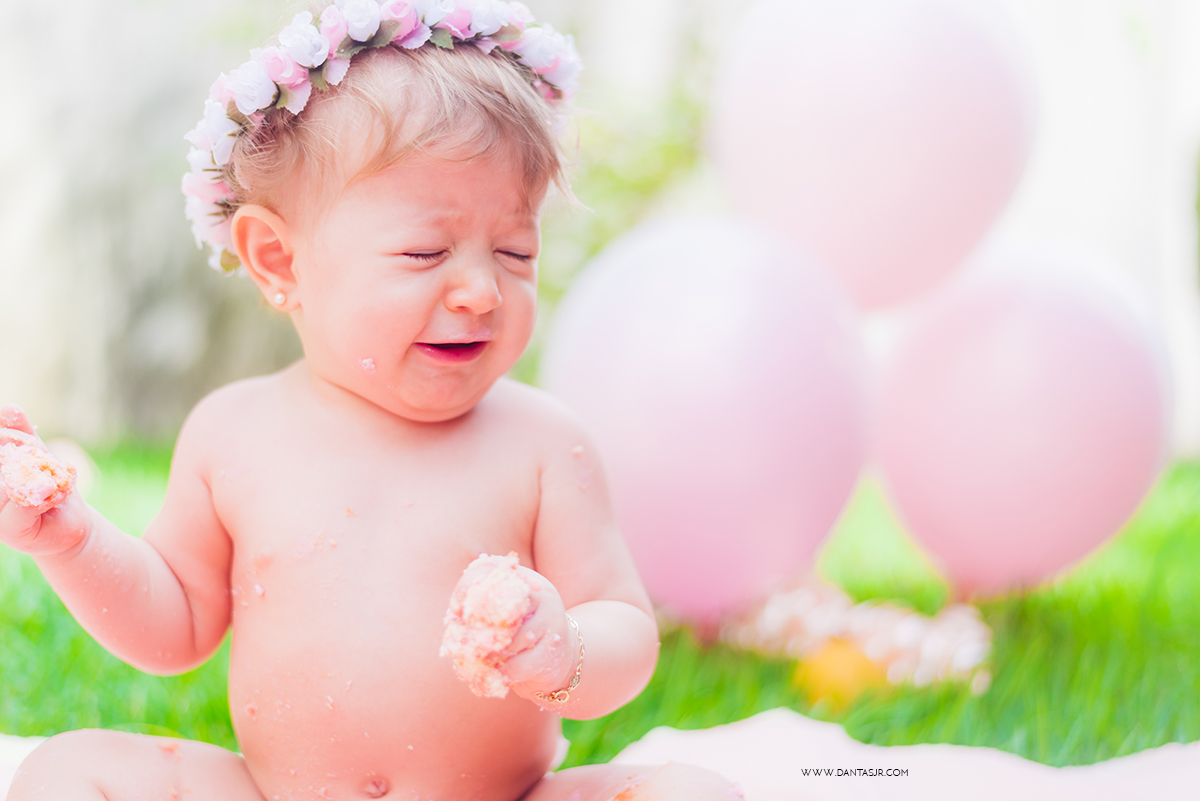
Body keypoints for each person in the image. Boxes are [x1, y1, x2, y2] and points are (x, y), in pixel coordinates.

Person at [0, 2, 739, 799]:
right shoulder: (233, 434)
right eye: (425, 251)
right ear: (279, 260)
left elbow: (623, 625)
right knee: (67, 772)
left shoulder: (539, 444)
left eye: (515, 251)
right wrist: (66, 538)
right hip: (278, 790)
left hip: (506, 795)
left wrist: (565, 652)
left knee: (691, 790)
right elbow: (173, 620)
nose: (482, 290)